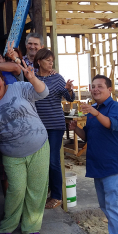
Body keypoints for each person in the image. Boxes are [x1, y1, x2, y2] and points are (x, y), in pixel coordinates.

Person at [0, 58, 50, 234]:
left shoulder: (18, 87)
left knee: (37, 188)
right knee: (17, 190)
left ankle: (32, 225)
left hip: (39, 145)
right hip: (11, 153)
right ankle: (9, 223)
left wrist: (32, 78)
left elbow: (44, 92)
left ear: (3, 80)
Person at [69, 75, 118, 234]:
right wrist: (76, 129)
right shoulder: (93, 111)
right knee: (106, 206)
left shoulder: (117, 108)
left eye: (100, 86)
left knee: (114, 206)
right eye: (93, 86)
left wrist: (94, 112)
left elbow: (111, 124)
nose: (95, 89)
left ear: (109, 90)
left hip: (114, 166)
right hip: (97, 166)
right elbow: (88, 136)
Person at [32, 48, 75, 209]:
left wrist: (69, 89)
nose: (51, 63)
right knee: (39, 162)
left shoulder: (57, 78)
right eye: (48, 60)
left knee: (53, 161)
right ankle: (45, 192)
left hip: (55, 126)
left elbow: (70, 98)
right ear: (39, 61)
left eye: (52, 60)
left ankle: (57, 195)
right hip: (37, 126)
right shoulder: (32, 77)